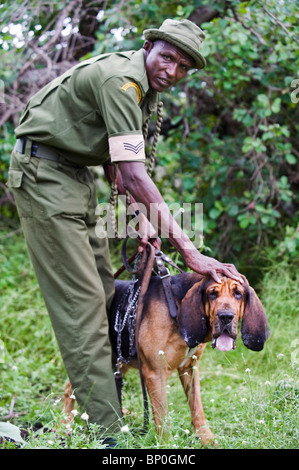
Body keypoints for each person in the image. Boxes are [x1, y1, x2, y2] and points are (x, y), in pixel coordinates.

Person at [7, 19, 242, 442]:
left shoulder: (144, 92)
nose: (172, 70)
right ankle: (107, 436)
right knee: (83, 309)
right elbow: (134, 174)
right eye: (167, 57)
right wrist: (190, 251)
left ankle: (100, 410)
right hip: (44, 175)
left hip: (75, 176)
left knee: (104, 296)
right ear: (148, 46)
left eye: (183, 65)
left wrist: (142, 224)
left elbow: (119, 168)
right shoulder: (124, 82)